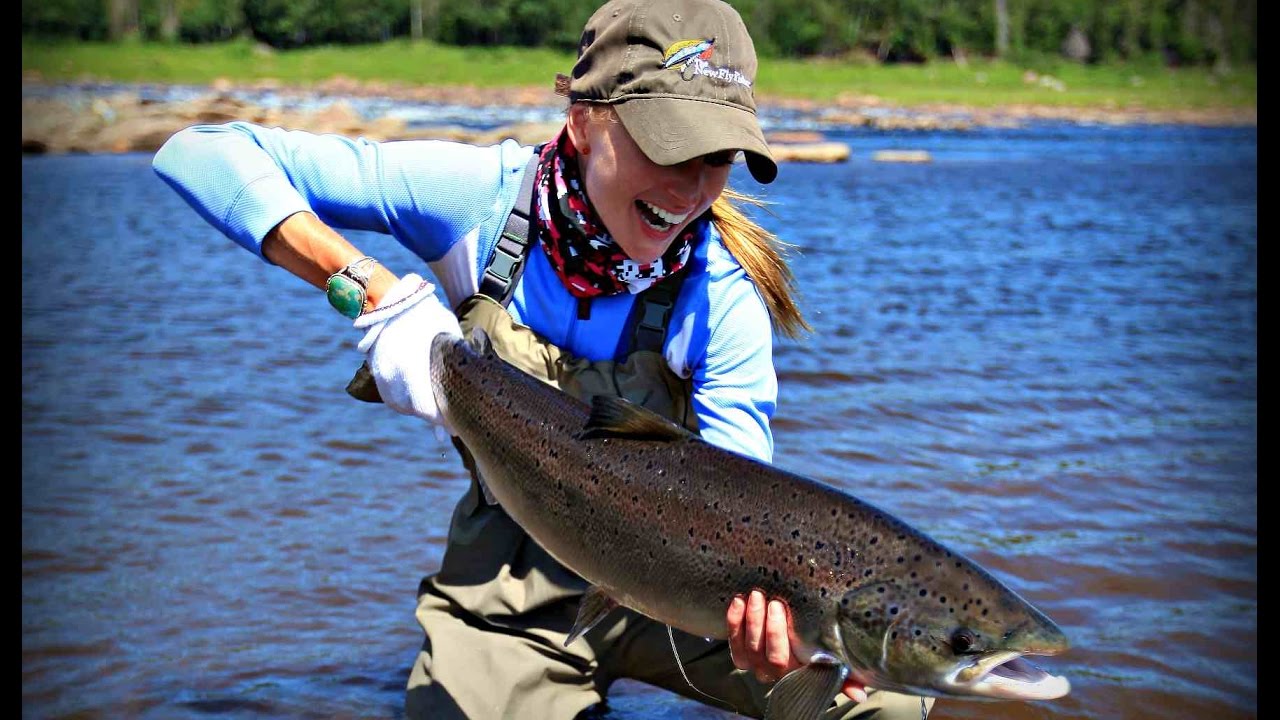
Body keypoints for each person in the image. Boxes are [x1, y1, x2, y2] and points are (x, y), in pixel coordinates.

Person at [153, 0, 933, 717]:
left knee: (890, 701)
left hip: (685, 588)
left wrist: (787, 629)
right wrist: (374, 294)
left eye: (720, 156)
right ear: (585, 118)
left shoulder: (723, 290)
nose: (692, 188)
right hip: (509, 588)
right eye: (670, 147)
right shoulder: (481, 201)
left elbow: (742, 495)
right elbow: (204, 151)